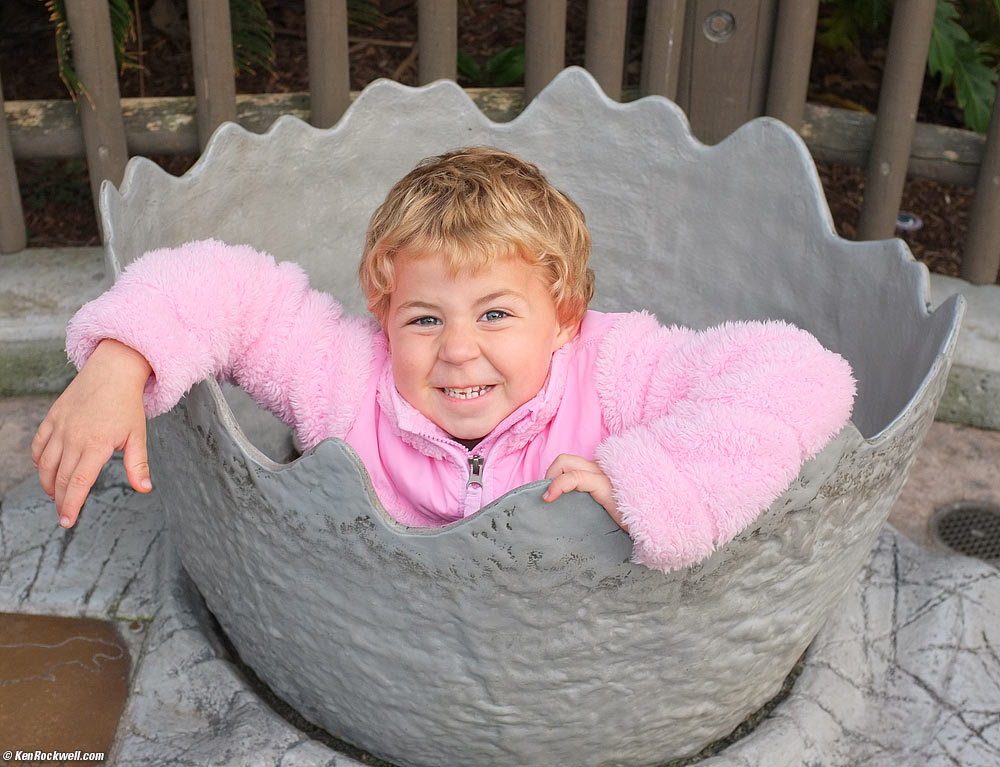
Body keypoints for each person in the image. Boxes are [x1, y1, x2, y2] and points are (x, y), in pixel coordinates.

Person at [31, 147, 856, 573]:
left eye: (497, 312)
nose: (458, 349)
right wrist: (119, 361)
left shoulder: (613, 366)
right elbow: (232, 288)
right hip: (400, 637)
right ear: (383, 314)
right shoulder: (344, 376)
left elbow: (802, 372)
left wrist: (654, 478)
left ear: (564, 315)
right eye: (424, 317)